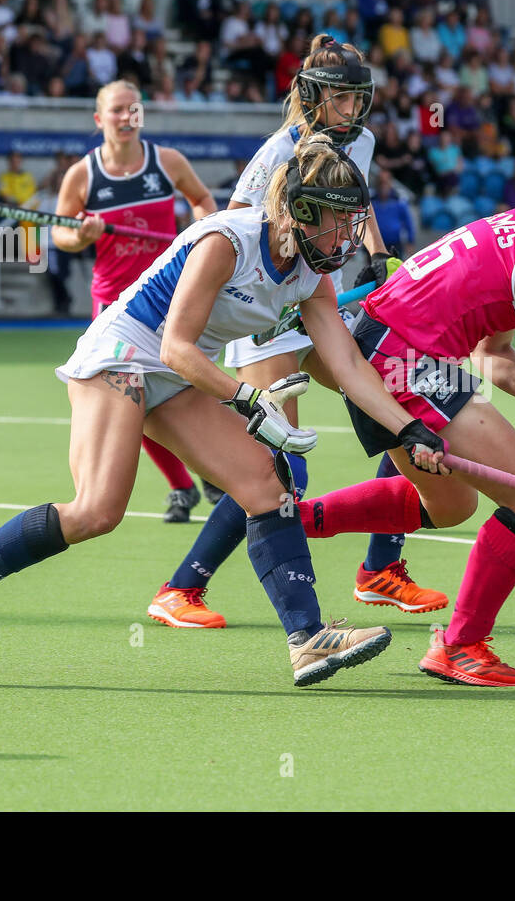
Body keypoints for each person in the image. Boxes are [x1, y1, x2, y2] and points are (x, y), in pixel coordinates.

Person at [0, 134, 449, 686]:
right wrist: (246, 399)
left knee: (268, 485)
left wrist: (410, 429)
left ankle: (308, 640)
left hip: (176, 370)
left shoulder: (312, 272)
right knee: (97, 511)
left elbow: (348, 368)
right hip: (125, 352)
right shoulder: (229, 242)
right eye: (335, 220)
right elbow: (174, 346)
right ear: (299, 210)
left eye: (351, 220)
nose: (345, 236)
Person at [287, 134, 515, 686]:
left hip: (378, 345)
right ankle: (461, 645)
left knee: (449, 505)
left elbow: (492, 354)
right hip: (400, 358)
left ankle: (294, 525)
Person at [146, 33, 446, 629]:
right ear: (311, 98)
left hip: (315, 295)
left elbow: (354, 204)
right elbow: (241, 225)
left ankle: (380, 571)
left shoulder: (359, 142)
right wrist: (271, 302)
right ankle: (181, 589)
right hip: (266, 312)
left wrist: (377, 256)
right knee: (281, 463)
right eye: (341, 99)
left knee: (397, 405)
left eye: (359, 100)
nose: (352, 111)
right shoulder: (278, 150)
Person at [50, 79, 218, 523]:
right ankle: (183, 486)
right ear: (98, 119)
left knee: (192, 382)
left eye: (133, 110)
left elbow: (202, 201)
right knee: (132, 400)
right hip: (115, 308)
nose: (126, 118)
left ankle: (213, 467)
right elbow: (59, 232)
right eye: (117, 111)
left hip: (169, 296)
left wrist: (201, 237)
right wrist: (79, 236)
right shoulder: (83, 175)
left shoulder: (166, 162)